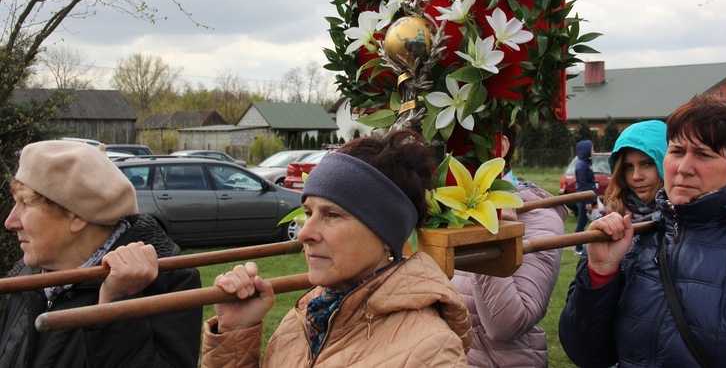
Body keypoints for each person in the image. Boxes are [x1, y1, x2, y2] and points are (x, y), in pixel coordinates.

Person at [201, 130, 473, 367]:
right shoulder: (306, 317)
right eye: (309, 213)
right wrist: (236, 332)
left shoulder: (430, 352)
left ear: (386, 234)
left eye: (332, 215)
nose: (305, 233)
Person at [559, 94, 726, 367]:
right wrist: (600, 273)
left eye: (704, 155)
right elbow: (586, 355)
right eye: (677, 152)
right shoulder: (632, 239)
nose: (684, 169)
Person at [0, 140, 202, 367]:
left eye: (25, 203)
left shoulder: (167, 284)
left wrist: (116, 306)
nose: (10, 222)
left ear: (76, 215)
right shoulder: (29, 279)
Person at [452, 125, 567, 367]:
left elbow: (506, 325)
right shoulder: (449, 208)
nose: (449, 160)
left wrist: (493, 237)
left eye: (460, 146)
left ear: (500, 147)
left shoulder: (539, 218)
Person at [603, 120, 667, 221]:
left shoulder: (685, 219)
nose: (636, 176)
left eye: (647, 164)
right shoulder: (611, 215)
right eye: (628, 167)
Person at [573, 139, 596, 254]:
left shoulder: (586, 164)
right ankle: (577, 248)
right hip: (583, 200)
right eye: (592, 149)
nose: (593, 151)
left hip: (588, 199)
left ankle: (580, 246)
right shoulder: (581, 165)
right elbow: (583, 184)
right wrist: (587, 202)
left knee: (584, 222)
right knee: (581, 223)